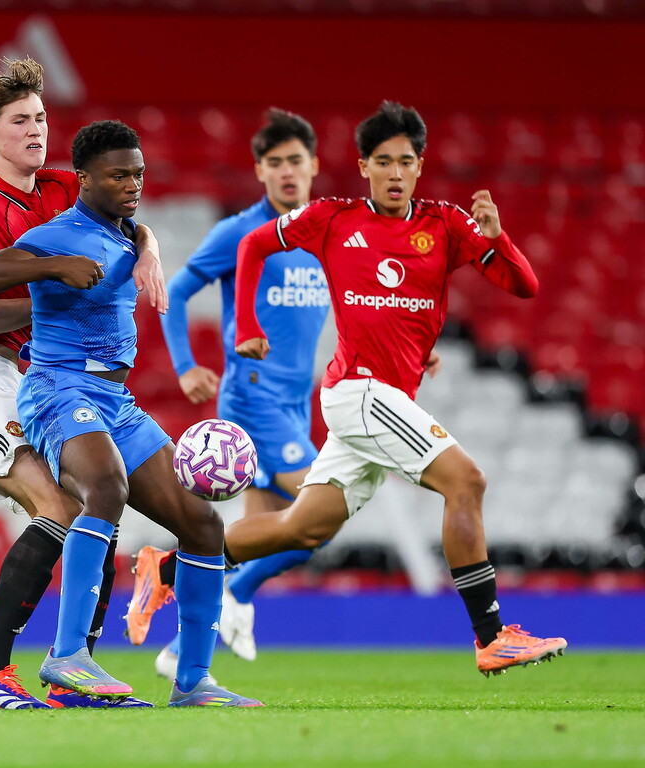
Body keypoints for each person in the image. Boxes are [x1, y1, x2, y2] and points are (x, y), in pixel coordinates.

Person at [135, 101, 567, 677]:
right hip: (358, 393)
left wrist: (499, 238)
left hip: (385, 399)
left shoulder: (446, 224)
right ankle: (492, 637)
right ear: (363, 166)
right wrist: (252, 325)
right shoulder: (333, 218)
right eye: (382, 162)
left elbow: (526, 286)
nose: (394, 173)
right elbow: (254, 245)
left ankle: (163, 568)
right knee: (466, 480)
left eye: (405, 162)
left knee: (301, 528)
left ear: (420, 166)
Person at [0, 120, 262, 707]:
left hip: (116, 402)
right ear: (85, 179)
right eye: (119, 175)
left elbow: (134, 229)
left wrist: (146, 245)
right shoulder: (56, 234)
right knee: (106, 487)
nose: (132, 184)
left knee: (204, 524)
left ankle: (192, 679)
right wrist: (50, 267)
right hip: (58, 391)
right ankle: (67, 656)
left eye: (138, 174)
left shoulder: (126, 234)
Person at [0, 58, 163, 709]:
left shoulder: (61, 188)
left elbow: (127, 222)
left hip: (27, 377)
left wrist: (149, 246)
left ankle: (77, 672)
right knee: (63, 507)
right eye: (20, 121)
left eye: (42, 118)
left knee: (96, 505)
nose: (36, 130)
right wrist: (59, 290)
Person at [142, 108, 331, 675]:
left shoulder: (323, 232)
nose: (287, 172)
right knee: (327, 505)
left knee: (286, 536)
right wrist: (185, 366)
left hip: (297, 403)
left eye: (296, 160)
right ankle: (199, 582)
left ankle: (181, 651)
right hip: (253, 399)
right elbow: (176, 288)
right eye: (275, 164)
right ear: (260, 171)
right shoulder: (239, 232)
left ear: (314, 165)